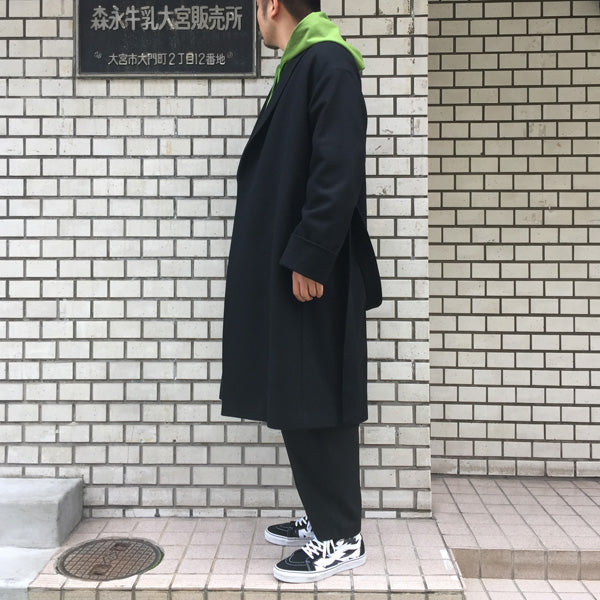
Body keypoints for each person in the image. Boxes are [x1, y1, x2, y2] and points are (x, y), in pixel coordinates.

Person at [219, 0, 382, 584]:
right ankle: (323, 514)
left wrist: (312, 254)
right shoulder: (303, 63)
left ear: (271, 5)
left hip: (312, 272)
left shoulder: (328, 62)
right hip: (292, 266)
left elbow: (338, 166)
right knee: (298, 393)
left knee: (319, 398)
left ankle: (341, 537)